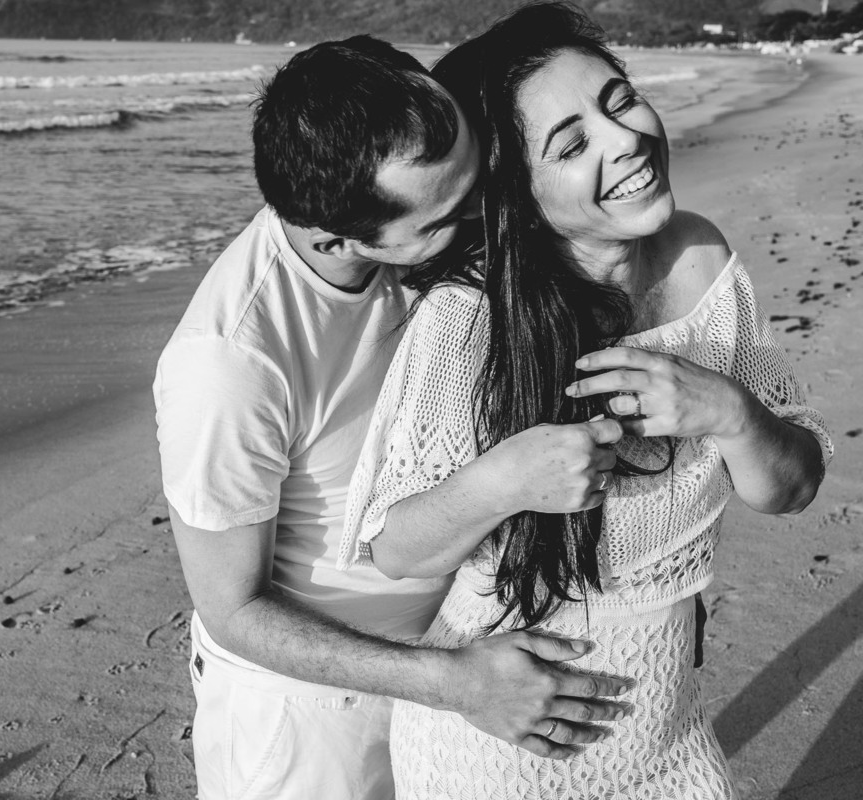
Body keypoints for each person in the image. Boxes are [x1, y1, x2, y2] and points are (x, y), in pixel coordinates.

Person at [340, 3, 833, 797]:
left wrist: (730, 412)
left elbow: (795, 486)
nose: (626, 139)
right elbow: (395, 551)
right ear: (520, 192)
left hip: (670, 738)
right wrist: (505, 481)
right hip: (499, 751)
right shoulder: (470, 319)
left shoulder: (702, 259)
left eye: (620, 101)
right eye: (571, 145)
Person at [154, 34, 636, 800]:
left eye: (478, 177)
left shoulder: (402, 230)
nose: (483, 212)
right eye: (447, 214)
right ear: (336, 238)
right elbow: (233, 609)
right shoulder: (230, 361)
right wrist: (454, 682)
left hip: (456, 651)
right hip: (313, 720)